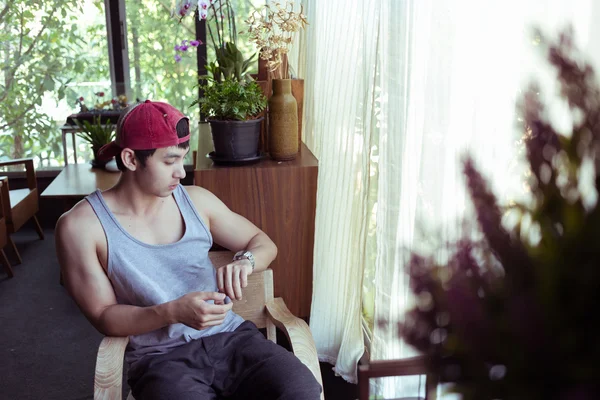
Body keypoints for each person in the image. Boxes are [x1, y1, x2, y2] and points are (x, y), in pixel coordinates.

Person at [55, 100, 321, 400]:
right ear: (130, 159)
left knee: (303, 390)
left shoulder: (197, 200)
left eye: (182, 159)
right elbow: (104, 316)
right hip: (162, 359)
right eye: (169, 162)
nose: (181, 173)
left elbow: (263, 243)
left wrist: (245, 262)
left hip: (233, 339)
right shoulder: (81, 227)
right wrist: (171, 312)